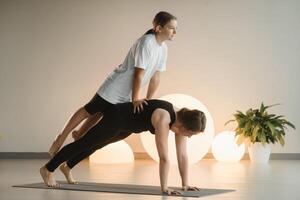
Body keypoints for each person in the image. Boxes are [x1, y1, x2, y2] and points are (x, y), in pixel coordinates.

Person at [48, 11, 178, 156]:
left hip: (127, 93)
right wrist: (136, 98)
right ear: (159, 28)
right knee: (90, 110)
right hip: (116, 86)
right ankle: (60, 138)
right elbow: (138, 74)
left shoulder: (163, 48)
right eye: (172, 28)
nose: (175, 32)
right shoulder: (146, 42)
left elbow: (156, 77)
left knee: (99, 114)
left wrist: (149, 98)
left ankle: (79, 134)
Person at [40, 99, 206, 195]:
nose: (190, 137)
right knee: (85, 142)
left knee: (96, 146)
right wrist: (164, 188)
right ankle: (48, 168)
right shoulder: (165, 118)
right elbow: (163, 157)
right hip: (118, 117)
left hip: (128, 127)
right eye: (191, 133)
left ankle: (67, 166)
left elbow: (182, 156)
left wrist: (185, 184)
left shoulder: (180, 121)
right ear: (185, 126)